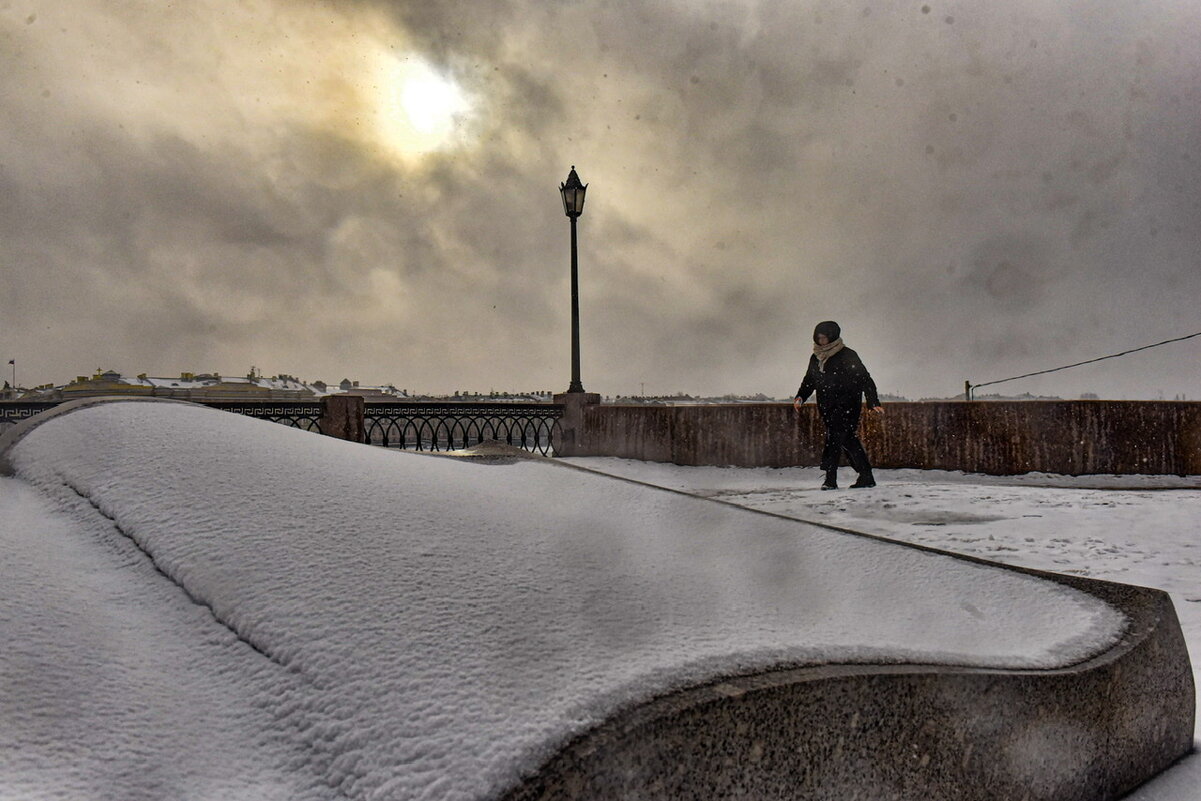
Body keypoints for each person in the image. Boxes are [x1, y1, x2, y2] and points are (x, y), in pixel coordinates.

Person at [792, 321, 884, 490]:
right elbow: (810, 380)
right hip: (827, 406)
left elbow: (865, 378)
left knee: (833, 439)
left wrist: (873, 402)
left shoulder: (847, 355)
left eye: (825, 337)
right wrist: (800, 397)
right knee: (848, 440)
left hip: (847, 404)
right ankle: (866, 475)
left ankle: (830, 479)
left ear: (833, 336)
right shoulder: (816, 357)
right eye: (819, 337)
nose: (822, 341)